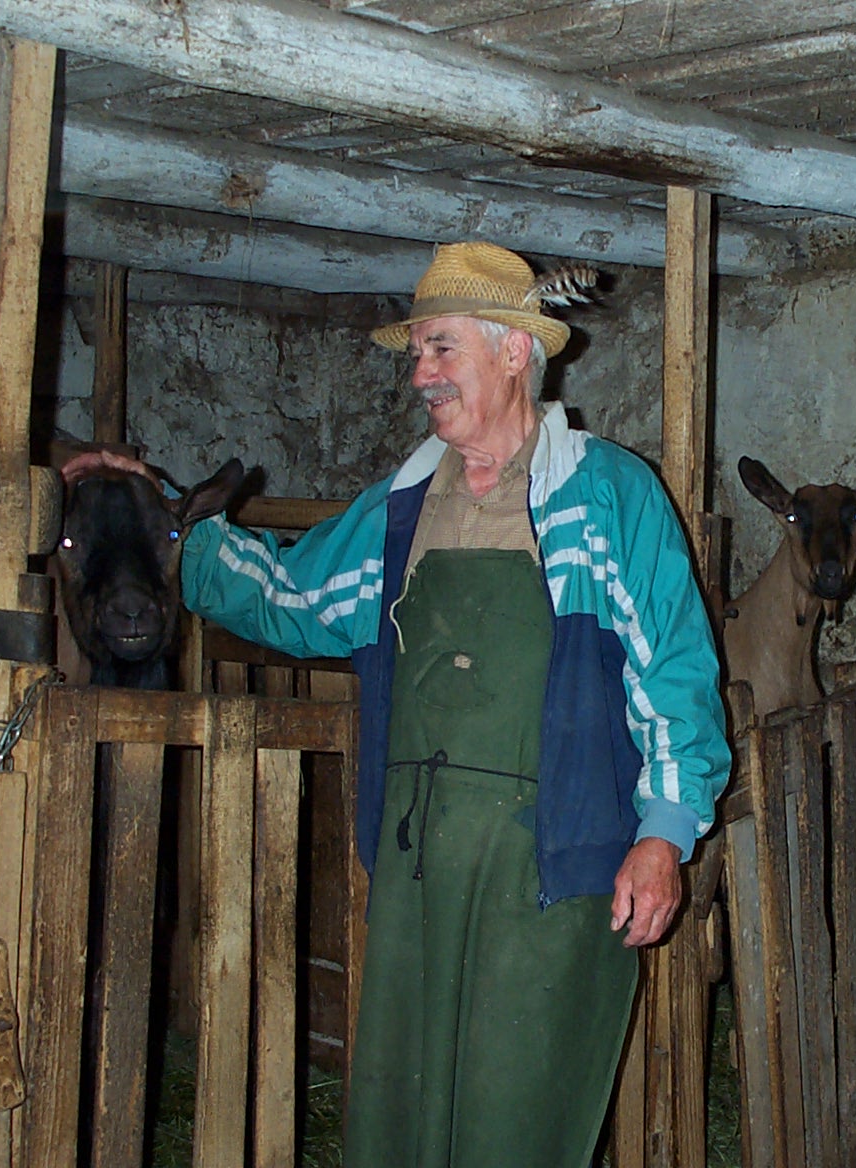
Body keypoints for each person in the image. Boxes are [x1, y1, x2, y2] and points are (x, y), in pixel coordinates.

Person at [178, 241, 730, 1168]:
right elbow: (293, 597)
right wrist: (171, 529)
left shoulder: (603, 495)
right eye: (416, 354)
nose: (420, 375)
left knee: (515, 1120)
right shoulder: (402, 507)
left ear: (514, 351)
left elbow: (671, 667)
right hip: (419, 865)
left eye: (440, 349)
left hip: (550, 860)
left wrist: (664, 834)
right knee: (403, 1113)